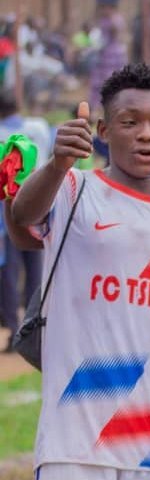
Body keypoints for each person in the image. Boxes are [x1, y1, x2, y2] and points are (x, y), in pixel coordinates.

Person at [11, 63, 150, 480]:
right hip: (74, 452)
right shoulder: (74, 190)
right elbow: (23, 215)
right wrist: (57, 165)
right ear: (103, 131)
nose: (147, 135)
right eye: (130, 122)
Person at [0, 89, 49, 351]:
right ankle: (34, 328)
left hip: (6, 215)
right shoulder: (38, 127)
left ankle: (13, 330)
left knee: (9, 274)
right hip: (40, 208)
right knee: (36, 272)